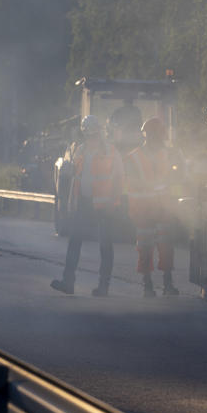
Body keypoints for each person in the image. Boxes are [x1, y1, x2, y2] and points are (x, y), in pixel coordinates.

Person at [51, 114, 124, 296]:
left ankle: (103, 286)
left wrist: (113, 202)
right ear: (84, 134)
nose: (91, 137)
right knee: (74, 242)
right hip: (83, 203)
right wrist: (68, 201)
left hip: (104, 206)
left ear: (99, 132)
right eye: (88, 134)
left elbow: (119, 179)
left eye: (93, 133)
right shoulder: (80, 150)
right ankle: (68, 282)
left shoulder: (111, 152)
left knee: (105, 245)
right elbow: (73, 177)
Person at [126, 117, 181, 297]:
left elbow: (176, 178)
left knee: (166, 245)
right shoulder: (133, 157)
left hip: (163, 209)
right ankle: (147, 285)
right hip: (143, 210)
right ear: (150, 136)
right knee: (145, 247)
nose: (160, 141)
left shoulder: (168, 155)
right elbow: (132, 183)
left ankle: (167, 284)